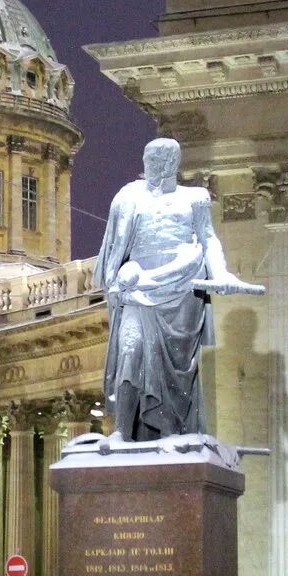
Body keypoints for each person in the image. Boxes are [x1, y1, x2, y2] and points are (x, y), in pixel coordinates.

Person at [94, 137, 261, 440]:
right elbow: (114, 249)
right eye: (150, 161)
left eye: (161, 161)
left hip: (182, 290)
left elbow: (208, 238)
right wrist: (117, 278)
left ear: (173, 164)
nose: (153, 168)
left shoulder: (194, 198)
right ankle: (121, 432)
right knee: (130, 351)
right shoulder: (128, 197)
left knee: (177, 374)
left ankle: (173, 431)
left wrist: (221, 271)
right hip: (138, 289)